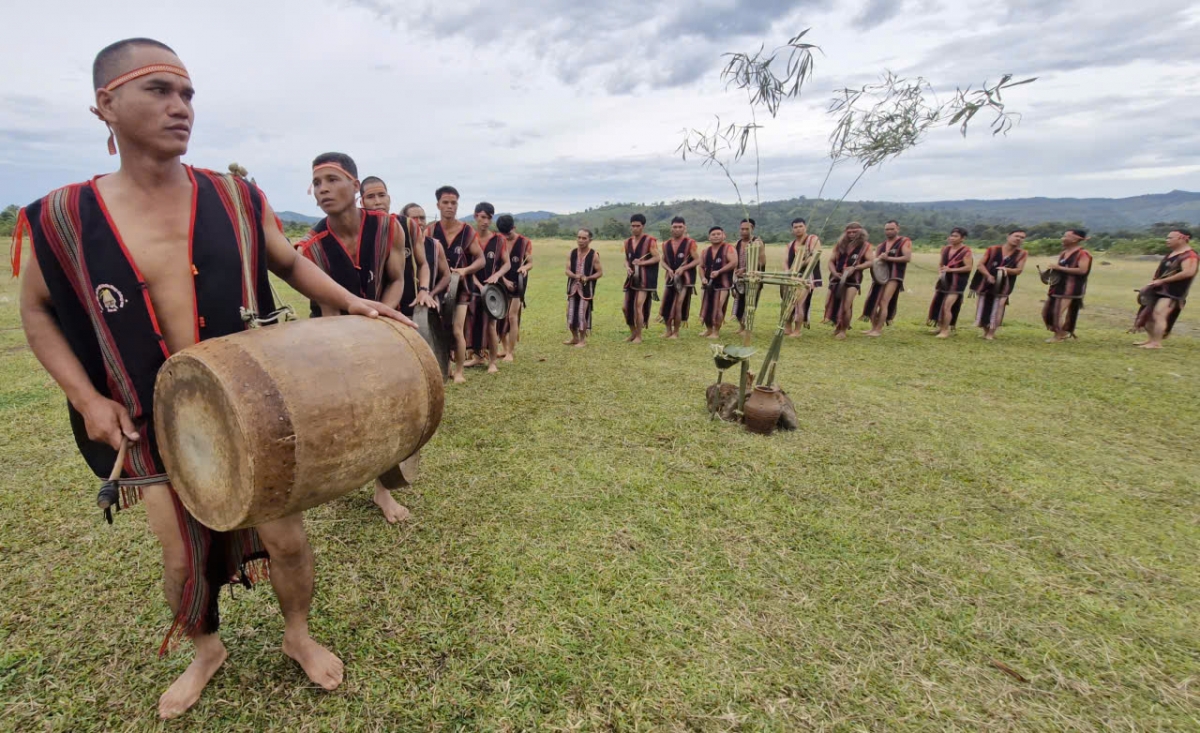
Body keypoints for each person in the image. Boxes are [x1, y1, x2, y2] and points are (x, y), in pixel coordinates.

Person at [11, 38, 411, 720]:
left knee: (287, 540)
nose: (181, 107)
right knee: (179, 561)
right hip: (146, 417)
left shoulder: (234, 196)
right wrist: (86, 398)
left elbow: (291, 263)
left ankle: (297, 634)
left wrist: (353, 303)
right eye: (159, 90)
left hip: (253, 409)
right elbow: (37, 311)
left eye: (188, 94)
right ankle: (206, 650)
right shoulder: (61, 217)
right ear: (106, 104)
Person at [295, 156, 434, 524]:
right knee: (344, 411)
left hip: (382, 326)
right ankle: (338, 474)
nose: (323, 189)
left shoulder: (389, 227)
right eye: (317, 183)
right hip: (333, 333)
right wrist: (349, 353)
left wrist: (379, 323)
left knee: (390, 410)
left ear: (354, 186)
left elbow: (397, 278)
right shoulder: (312, 246)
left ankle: (382, 490)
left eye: (332, 180)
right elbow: (328, 308)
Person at [428, 186, 483, 382]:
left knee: (457, 329)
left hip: (461, 288)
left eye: (453, 203)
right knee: (440, 329)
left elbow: (481, 259)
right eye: (445, 202)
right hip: (437, 286)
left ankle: (459, 371)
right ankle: (446, 367)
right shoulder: (430, 231)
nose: (450, 206)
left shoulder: (467, 231)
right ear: (438, 205)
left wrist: (465, 270)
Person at [358, 177, 432, 319]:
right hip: (370, 313)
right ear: (362, 202)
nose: (378, 201)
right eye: (370, 197)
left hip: (408, 309)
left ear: (389, 199)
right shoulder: (357, 230)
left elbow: (423, 264)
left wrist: (424, 290)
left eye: (382, 195)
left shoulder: (408, 226)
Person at [1132, 228, 1198, 349]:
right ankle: (1151, 340)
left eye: (1170, 238)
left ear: (1182, 238)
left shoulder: (1190, 255)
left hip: (1173, 292)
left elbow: (1188, 272)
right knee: (1149, 314)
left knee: (1159, 313)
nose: (1167, 240)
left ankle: (1156, 343)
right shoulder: (1171, 254)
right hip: (1159, 289)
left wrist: (1163, 281)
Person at [466, 202, 510, 374]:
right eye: (483, 217)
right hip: (472, 287)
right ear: (475, 216)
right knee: (473, 323)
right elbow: (466, 265)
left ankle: (492, 362)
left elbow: (506, 264)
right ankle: (478, 357)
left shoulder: (499, 240)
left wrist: (497, 275)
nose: (485, 221)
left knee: (491, 325)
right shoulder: (469, 238)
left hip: (492, 291)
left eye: (489, 218)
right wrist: (477, 283)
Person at [969, 228, 1028, 340]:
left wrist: (1006, 270)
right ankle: (986, 331)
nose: (1019, 239)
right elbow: (980, 265)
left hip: (1004, 285)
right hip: (986, 283)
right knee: (984, 306)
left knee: (999, 307)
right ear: (1008, 237)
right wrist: (988, 276)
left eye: (1022, 237)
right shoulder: (993, 249)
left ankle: (991, 333)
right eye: (1016, 236)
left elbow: (1019, 270)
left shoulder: (1022, 253)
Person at [823, 223, 873, 340]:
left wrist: (855, 268)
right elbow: (831, 261)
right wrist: (834, 272)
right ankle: (837, 325)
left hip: (853, 280)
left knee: (846, 306)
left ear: (860, 232)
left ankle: (843, 330)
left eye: (854, 232)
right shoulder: (840, 245)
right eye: (849, 232)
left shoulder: (866, 246)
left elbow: (870, 262)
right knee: (828, 303)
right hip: (836, 278)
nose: (851, 234)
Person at [862, 220, 911, 337]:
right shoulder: (881, 245)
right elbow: (876, 261)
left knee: (884, 301)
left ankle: (878, 329)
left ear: (898, 229)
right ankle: (873, 327)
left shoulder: (904, 241)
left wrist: (888, 258)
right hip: (880, 276)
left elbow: (907, 258)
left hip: (894, 275)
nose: (889, 231)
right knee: (874, 300)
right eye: (887, 229)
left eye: (891, 229)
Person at [1041, 229, 1092, 342]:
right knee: (1046, 312)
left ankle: (1058, 335)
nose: (1062, 238)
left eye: (1065, 236)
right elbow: (1059, 269)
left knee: (1057, 312)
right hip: (1058, 286)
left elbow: (1082, 270)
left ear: (1074, 239)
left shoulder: (1083, 254)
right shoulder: (1064, 253)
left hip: (1071, 288)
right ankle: (1063, 332)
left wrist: (1059, 268)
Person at [496, 214, 532, 361]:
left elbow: (530, 262)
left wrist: (525, 268)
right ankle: (504, 349)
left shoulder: (524, 242)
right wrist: (504, 280)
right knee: (500, 316)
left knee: (512, 316)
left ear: (514, 228)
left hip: (518, 283)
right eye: (503, 234)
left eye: (508, 233)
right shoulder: (498, 240)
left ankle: (510, 352)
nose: (505, 236)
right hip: (501, 282)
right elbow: (497, 265)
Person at [927, 227, 974, 338]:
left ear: (962, 238)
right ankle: (940, 327)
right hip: (944, 280)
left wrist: (951, 270)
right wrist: (940, 272)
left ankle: (945, 331)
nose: (952, 238)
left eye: (956, 236)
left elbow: (968, 267)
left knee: (947, 306)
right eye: (951, 235)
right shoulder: (945, 249)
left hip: (957, 283)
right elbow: (941, 264)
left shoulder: (966, 251)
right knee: (939, 303)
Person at [400, 202, 451, 304]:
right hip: (399, 304)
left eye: (422, 218)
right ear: (404, 220)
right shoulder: (397, 244)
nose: (419, 222)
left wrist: (431, 294)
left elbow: (447, 276)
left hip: (426, 305)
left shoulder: (435, 246)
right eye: (414, 218)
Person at [659, 216, 699, 339]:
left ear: (684, 228)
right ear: (671, 228)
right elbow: (662, 261)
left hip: (685, 279)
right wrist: (668, 269)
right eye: (675, 227)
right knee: (667, 303)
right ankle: (668, 331)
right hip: (670, 279)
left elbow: (697, 260)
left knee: (678, 304)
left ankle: (676, 332)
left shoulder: (690, 243)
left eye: (680, 227)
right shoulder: (666, 244)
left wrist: (683, 268)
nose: (677, 229)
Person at [622, 213, 660, 343]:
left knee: (638, 306)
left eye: (637, 226)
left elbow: (657, 258)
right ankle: (633, 333)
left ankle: (639, 336)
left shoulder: (650, 241)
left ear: (643, 226)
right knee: (625, 308)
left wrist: (642, 263)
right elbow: (626, 259)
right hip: (632, 278)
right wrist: (627, 267)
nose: (635, 228)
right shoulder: (627, 242)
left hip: (645, 279)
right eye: (632, 226)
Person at [783, 218, 822, 336]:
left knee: (799, 302)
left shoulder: (813, 239)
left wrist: (800, 263)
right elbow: (785, 261)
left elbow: (815, 256)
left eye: (800, 226)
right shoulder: (790, 245)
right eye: (795, 227)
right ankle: (787, 327)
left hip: (806, 277)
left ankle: (797, 330)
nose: (798, 229)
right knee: (787, 302)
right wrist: (787, 271)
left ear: (805, 227)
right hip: (792, 277)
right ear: (792, 229)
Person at [565, 228, 603, 347]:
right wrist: (574, 275)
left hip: (586, 290)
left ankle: (582, 340)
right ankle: (575, 338)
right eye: (579, 237)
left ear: (590, 240)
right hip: (572, 288)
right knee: (569, 313)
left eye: (584, 238)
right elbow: (567, 270)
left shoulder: (594, 255)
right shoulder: (572, 253)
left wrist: (588, 277)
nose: (581, 240)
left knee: (582, 313)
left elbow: (600, 273)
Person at [699, 226, 738, 339]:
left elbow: (734, 263)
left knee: (718, 307)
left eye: (718, 234)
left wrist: (719, 271)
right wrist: (703, 278)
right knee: (707, 306)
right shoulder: (705, 251)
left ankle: (716, 331)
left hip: (723, 284)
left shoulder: (729, 248)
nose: (716, 236)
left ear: (723, 235)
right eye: (713, 234)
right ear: (709, 237)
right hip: (707, 284)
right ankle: (709, 329)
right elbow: (701, 267)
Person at [732, 217, 766, 334]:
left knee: (750, 303)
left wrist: (746, 269)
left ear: (753, 229)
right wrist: (735, 275)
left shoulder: (758, 243)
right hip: (740, 279)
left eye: (747, 229)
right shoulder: (737, 243)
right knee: (739, 303)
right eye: (742, 229)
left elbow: (762, 262)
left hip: (753, 279)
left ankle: (747, 328)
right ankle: (741, 326)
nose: (744, 231)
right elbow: (734, 261)